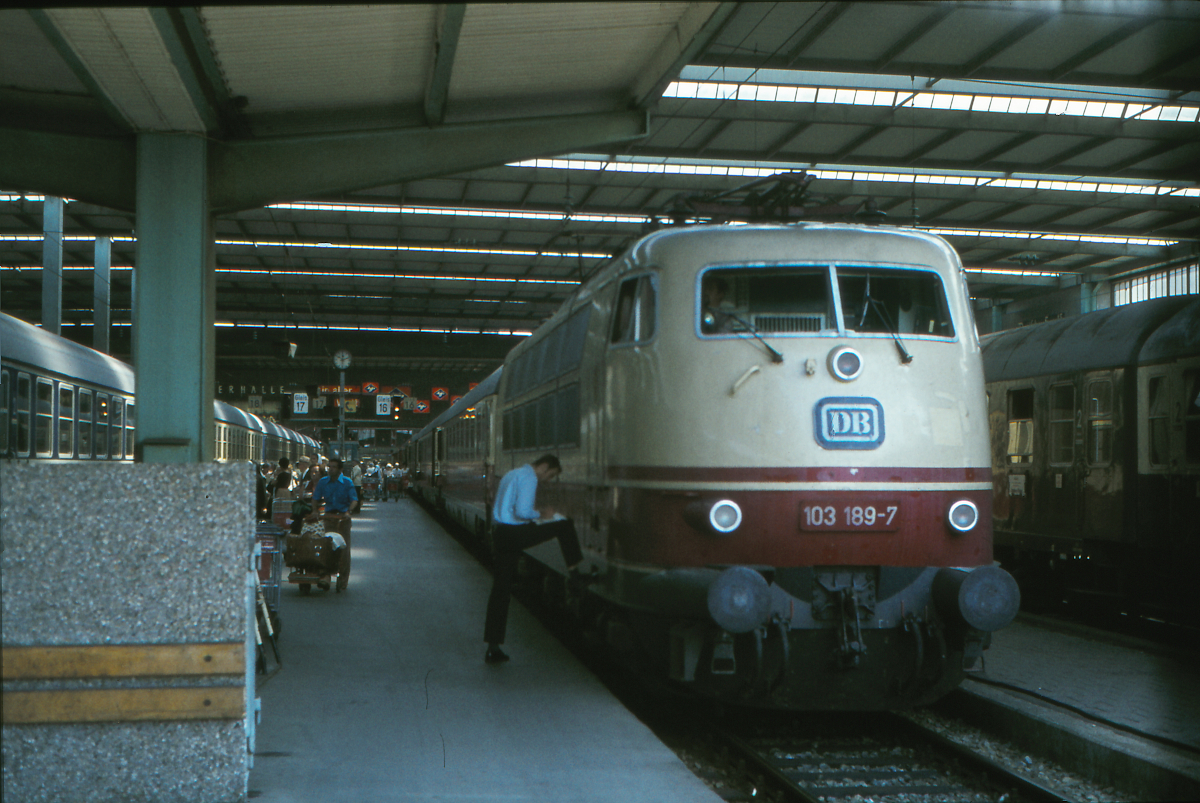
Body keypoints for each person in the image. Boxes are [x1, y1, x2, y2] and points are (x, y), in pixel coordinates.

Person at [483, 454, 585, 664]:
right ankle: (575, 573)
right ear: (545, 467)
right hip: (515, 533)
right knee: (564, 526)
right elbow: (522, 512)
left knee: (500, 591)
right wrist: (542, 515)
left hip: (500, 534)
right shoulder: (529, 477)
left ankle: (493, 647)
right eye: (550, 475)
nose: (547, 480)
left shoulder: (511, 474)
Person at [309, 456, 360, 592]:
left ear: (340, 469)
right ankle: (325, 576)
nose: (330, 469)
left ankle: (342, 581)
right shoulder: (323, 482)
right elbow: (315, 498)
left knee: (343, 549)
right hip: (329, 517)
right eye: (329, 466)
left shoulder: (347, 482)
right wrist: (314, 511)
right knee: (326, 547)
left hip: (343, 519)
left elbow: (354, 500)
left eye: (333, 467)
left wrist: (349, 511)